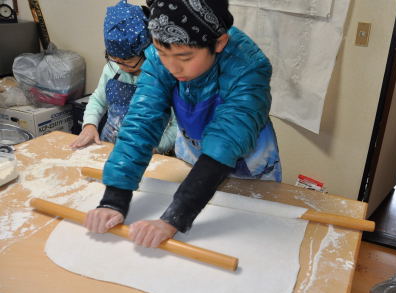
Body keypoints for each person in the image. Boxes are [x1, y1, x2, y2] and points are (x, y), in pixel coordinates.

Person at [84, 0, 281, 248]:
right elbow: (142, 122)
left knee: (242, 238)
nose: (172, 66)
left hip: (248, 162)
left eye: (184, 57)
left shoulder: (249, 65)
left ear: (218, 43)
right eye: (162, 53)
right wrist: (115, 198)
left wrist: (175, 217)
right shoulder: (161, 57)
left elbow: (229, 136)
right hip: (193, 154)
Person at [70, 0, 177, 154]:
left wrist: (156, 148)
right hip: (110, 147)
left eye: (128, 63)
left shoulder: (165, 76)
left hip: (150, 154)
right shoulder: (112, 69)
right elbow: (98, 100)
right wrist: (90, 125)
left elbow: (176, 126)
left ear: (146, 52)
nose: (121, 67)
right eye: (115, 60)